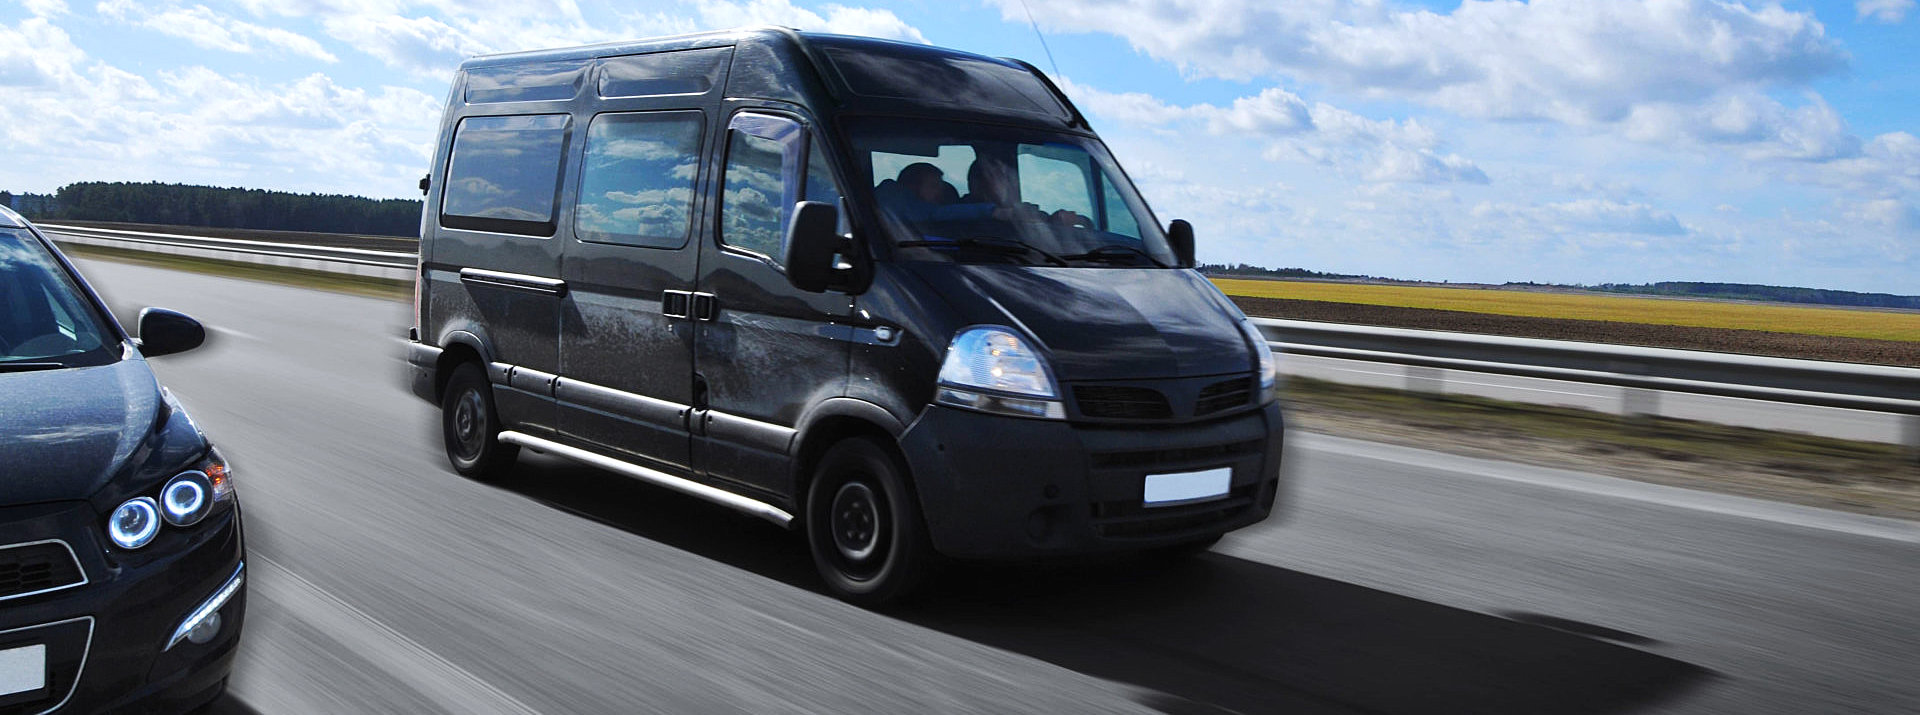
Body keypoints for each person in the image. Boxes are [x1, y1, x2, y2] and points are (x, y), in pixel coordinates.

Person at [874, 162, 1000, 224]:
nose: (941, 191)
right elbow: (932, 214)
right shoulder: (893, 198)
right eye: (933, 186)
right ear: (912, 186)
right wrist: (992, 211)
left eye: (941, 186)